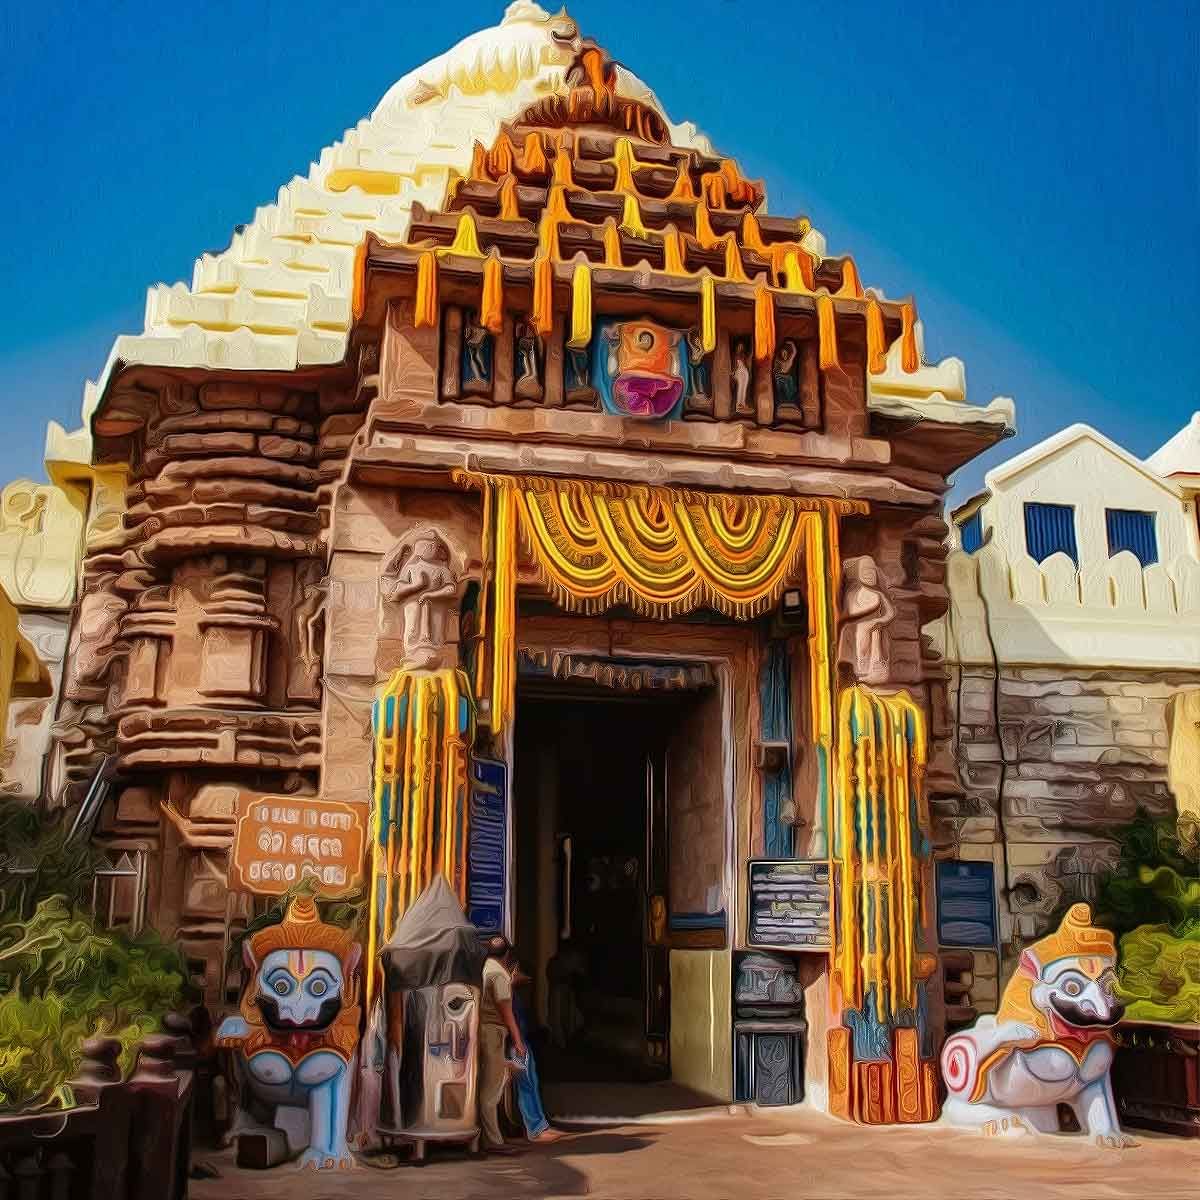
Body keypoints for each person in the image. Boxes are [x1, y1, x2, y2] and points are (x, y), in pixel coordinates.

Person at [478, 935, 562, 1152]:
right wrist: (518, 1041)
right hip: (495, 1033)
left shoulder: (486, 969)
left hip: (489, 1033)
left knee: (500, 1082)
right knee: (493, 1089)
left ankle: (503, 1134)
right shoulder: (498, 974)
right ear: (507, 955)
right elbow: (506, 1012)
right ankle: (494, 1140)